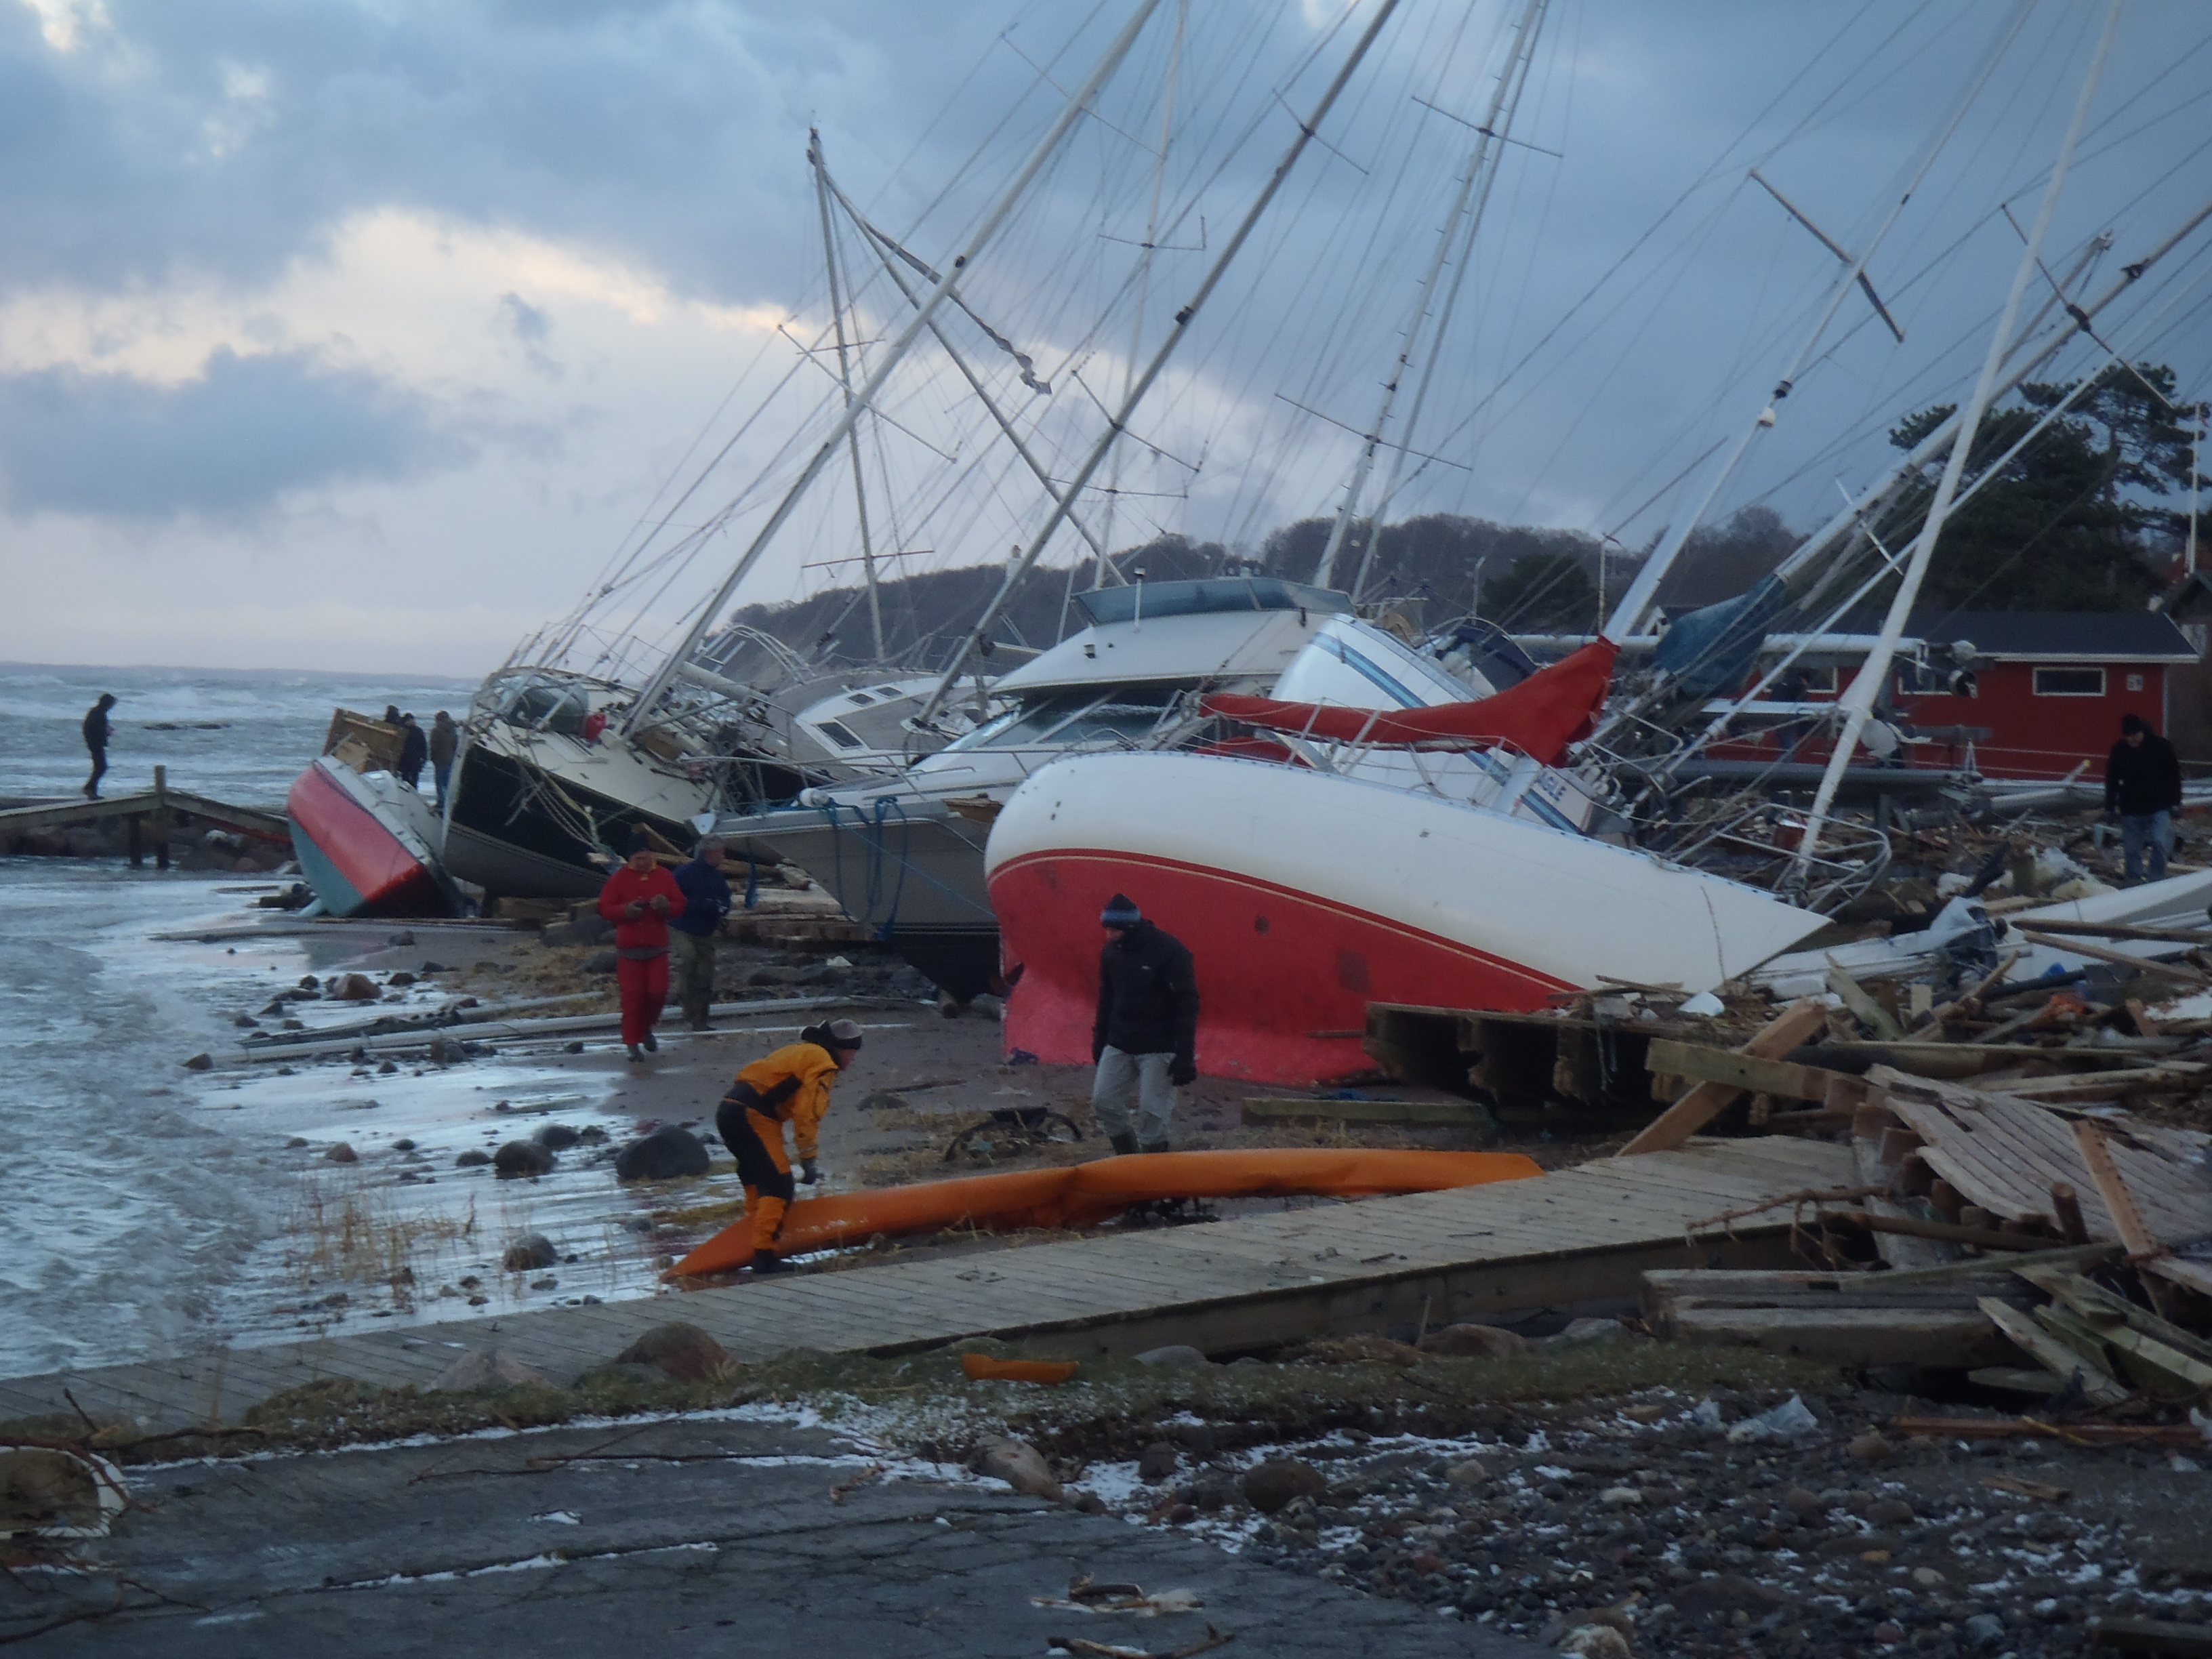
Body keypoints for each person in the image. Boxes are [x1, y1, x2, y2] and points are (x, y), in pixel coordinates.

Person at [714, 1019, 864, 1273]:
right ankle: (764, 1256)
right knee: (779, 1184)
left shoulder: (800, 1050)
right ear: (843, 1048)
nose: (853, 1060)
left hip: (730, 1109)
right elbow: (807, 1113)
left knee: (757, 1179)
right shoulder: (823, 1062)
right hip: (753, 1115)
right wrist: (809, 1157)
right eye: (853, 1052)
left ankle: (751, 1239)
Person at [1090, 893, 1200, 1155]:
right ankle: (1127, 1156)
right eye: (1106, 929)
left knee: (1152, 1111)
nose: (1109, 935)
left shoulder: (1170, 952)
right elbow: (1107, 998)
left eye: (1115, 930)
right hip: (1120, 1042)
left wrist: (1184, 1054)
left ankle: (1153, 1167)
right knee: (1103, 1101)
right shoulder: (1111, 954)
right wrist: (1100, 1039)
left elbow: (1187, 1004)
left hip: (1160, 1046)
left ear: (1130, 927)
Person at [597, 832, 686, 1060]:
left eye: (647, 858)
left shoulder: (664, 876)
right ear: (630, 859)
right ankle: (632, 1043)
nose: (644, 863)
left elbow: (679, 904)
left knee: (658, 993)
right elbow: (605, 908)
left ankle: (646, 1026)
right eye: (639, 859)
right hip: (630, 951)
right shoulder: (619, 879)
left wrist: (665, 907)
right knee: (633, 996)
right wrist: (625, 911)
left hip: (657, 947)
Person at [2105, 713, 2184, 884]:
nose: (2132, 739)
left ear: (2142, 732)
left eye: (2135, 735)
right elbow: (2111, 780)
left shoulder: (2160, 747)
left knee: (2159, 841)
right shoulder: (2120, 750)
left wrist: (2176, 802)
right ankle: (2134, 881)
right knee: (2132, 849)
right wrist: (2110, 807)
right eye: (2128, 736)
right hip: (2131, 808)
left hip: (2159, 806)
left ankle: (2156, 878)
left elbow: (2174, 775)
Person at [670, 838, 734, 1031]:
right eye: (721, 853)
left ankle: (701, 1021)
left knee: (705, 976)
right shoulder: (685, 873)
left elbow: (725, 897)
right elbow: (672, 896)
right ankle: (684, 998)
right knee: (689, 959)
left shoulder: (716, 877)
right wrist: (699, 905)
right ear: (710, 854)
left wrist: (722, 909)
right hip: (682, 926)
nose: (723, 857)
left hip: (705, 930)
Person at [81, 693, 116, 800]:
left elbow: (92, 726)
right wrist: (106, 731)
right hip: (95, 743)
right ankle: (89, 788)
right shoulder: (98, 713)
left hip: (95, 743)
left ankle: (92, 791)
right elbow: (92, 727)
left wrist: (106, 729)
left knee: (100, 767)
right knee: (102, 767)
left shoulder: (98, 712)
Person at [429, 711, 459, 811]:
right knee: (447, 783)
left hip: (440, 760)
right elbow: (456, 745)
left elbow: (434, 747)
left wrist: (433, 759)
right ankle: (449, 803)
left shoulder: (436, 731)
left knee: (439, 783)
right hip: (450, 760)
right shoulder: (453, 730)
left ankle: (441, 803)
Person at [395, 713, 428, 790]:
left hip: (413, 759)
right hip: (406, 759)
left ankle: (413, 793)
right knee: (406, 779)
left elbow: (423, 746)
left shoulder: (416, 730)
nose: (413, 721)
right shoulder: (404, 730)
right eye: (411, 720)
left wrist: (424, 758)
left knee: (413, 779)